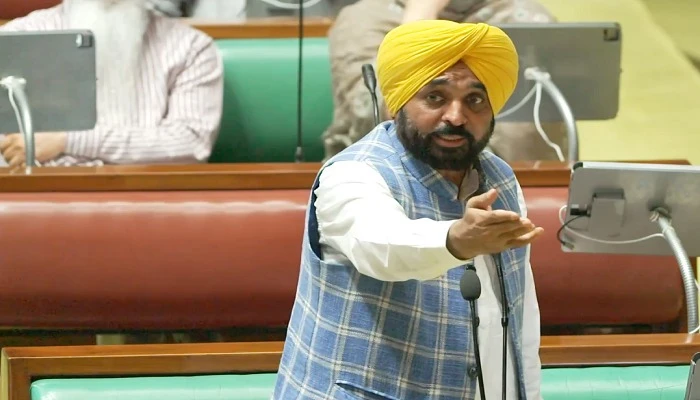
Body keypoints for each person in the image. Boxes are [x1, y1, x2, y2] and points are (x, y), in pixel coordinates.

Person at [274, 19, 544, 400]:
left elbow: (520, 320)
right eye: (435, 97)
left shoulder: (500, 179)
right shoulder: (353, 173)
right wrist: (455, 240)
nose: (456, 116)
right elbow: (382, 245)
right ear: (396, 103)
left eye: (475, 100)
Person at [323, 0, 567, 162]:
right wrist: (418, 20)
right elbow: (377, 116)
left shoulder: (528, 17)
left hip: (503, 181)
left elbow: (533, 138)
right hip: (378, 180)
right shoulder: (362, 19)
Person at [0, 0, 223, 171]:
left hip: (147, 197)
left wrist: (67, 141)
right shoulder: (17, 37)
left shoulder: (191, 48)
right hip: (42, 197)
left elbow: (191, 144)